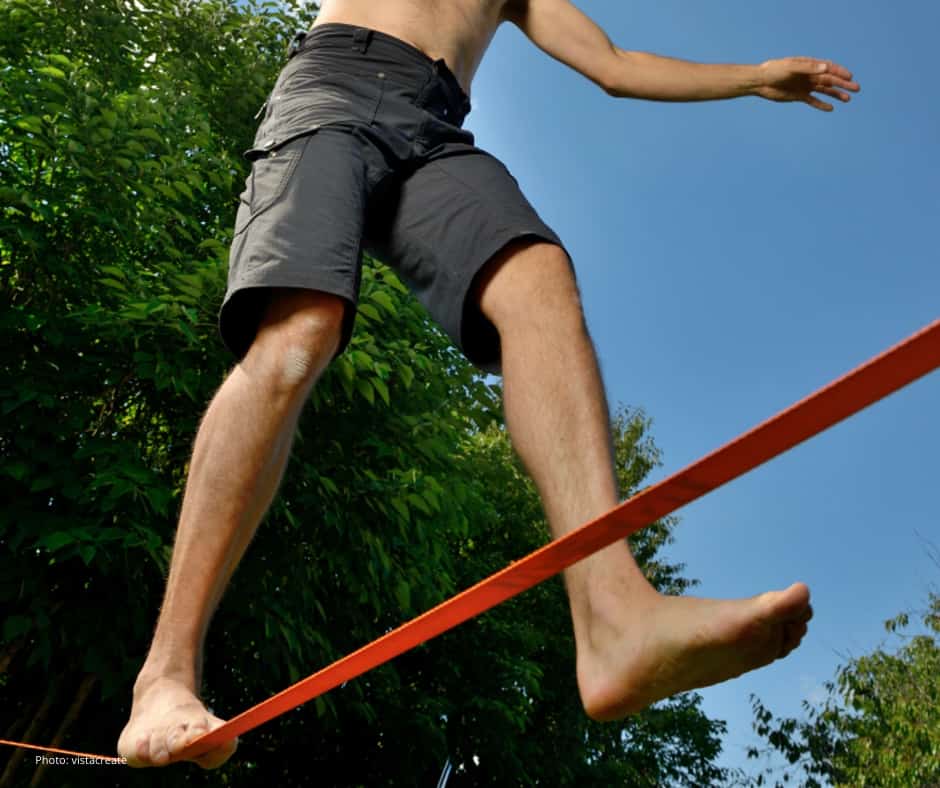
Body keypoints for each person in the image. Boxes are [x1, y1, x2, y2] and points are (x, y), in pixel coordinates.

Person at [117, 0, 859, 769]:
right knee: (301, 331)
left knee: (538, 279)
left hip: (433, 121)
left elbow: (614, 66)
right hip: (332, 83)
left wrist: (755, 76)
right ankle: (165, 674)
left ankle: (614, 621)